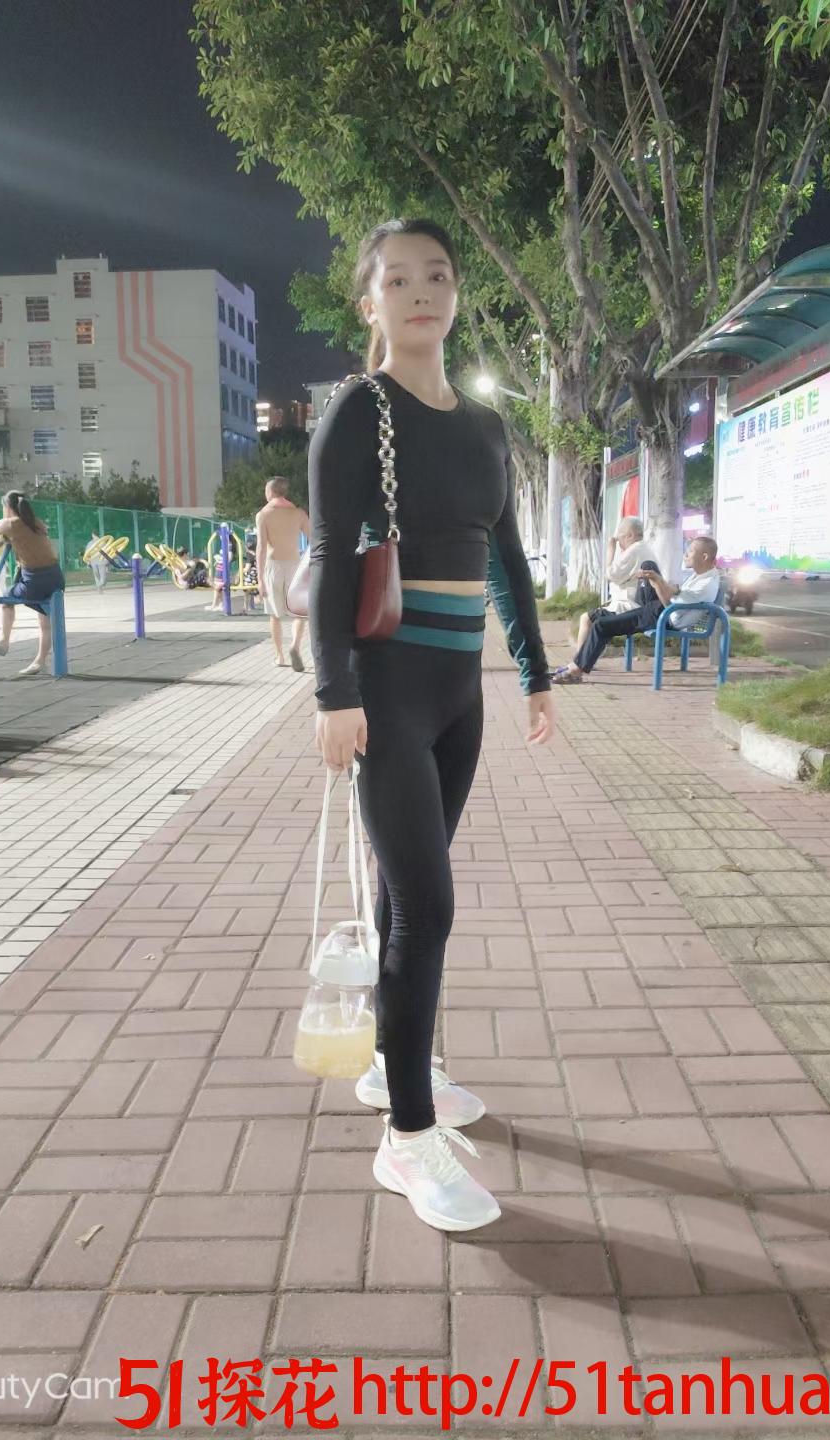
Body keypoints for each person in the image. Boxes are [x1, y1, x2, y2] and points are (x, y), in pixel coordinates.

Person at [309, 217, 556, 1233]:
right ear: (370, 302)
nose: (421, 292)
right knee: (429, 906)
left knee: (410, 898)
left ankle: (391, 1065)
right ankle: (406, 1139)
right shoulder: (357, 411)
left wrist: (536, 674)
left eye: (438, 275)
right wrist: (333, 694)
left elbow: (508, 558)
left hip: (461, 696)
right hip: (386, 695)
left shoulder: (487, 427)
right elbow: (333, 556)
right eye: (399, 279)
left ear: (457, 294)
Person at [552, 535, 722, 683]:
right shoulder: (701, 576)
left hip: (664, 616)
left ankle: (576, 670)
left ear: (704, 556)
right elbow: (674, 597)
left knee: (601, 625)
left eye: (691, 551)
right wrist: (656, 581)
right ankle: (577, 664)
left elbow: (670, 607)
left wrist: (657, 582)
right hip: (660, 610)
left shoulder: (706, 584)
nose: (686, 554)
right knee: (648, 565)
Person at [0, 491, 66, 677]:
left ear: (7, 507)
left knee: (6, 598)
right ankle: (40, 661)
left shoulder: (6, 524)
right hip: (56, 577)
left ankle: (4, 640)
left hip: (34, 581)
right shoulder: (37, 523)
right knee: (45, 622)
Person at [573, 515, 657, 656]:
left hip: (628, 606)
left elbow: (610, 574)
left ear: (630, 535)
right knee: (597, 621)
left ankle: (579, 660)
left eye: (620, 538)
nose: (619, 543)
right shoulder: (645, 548)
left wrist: (610, 550)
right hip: (639, 606)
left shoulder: (634, 550)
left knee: (586, 619)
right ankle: (585, 657)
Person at [255, 477, 310, 667]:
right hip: (295, 565)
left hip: (273, 566)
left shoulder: (263, 515)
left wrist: (260, 579)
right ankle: (295, 645)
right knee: (299, 612)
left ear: (270, 492)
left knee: (275, 614)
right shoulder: (298, 513)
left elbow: (261, 547)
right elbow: (315, 539)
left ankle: (279, 656)